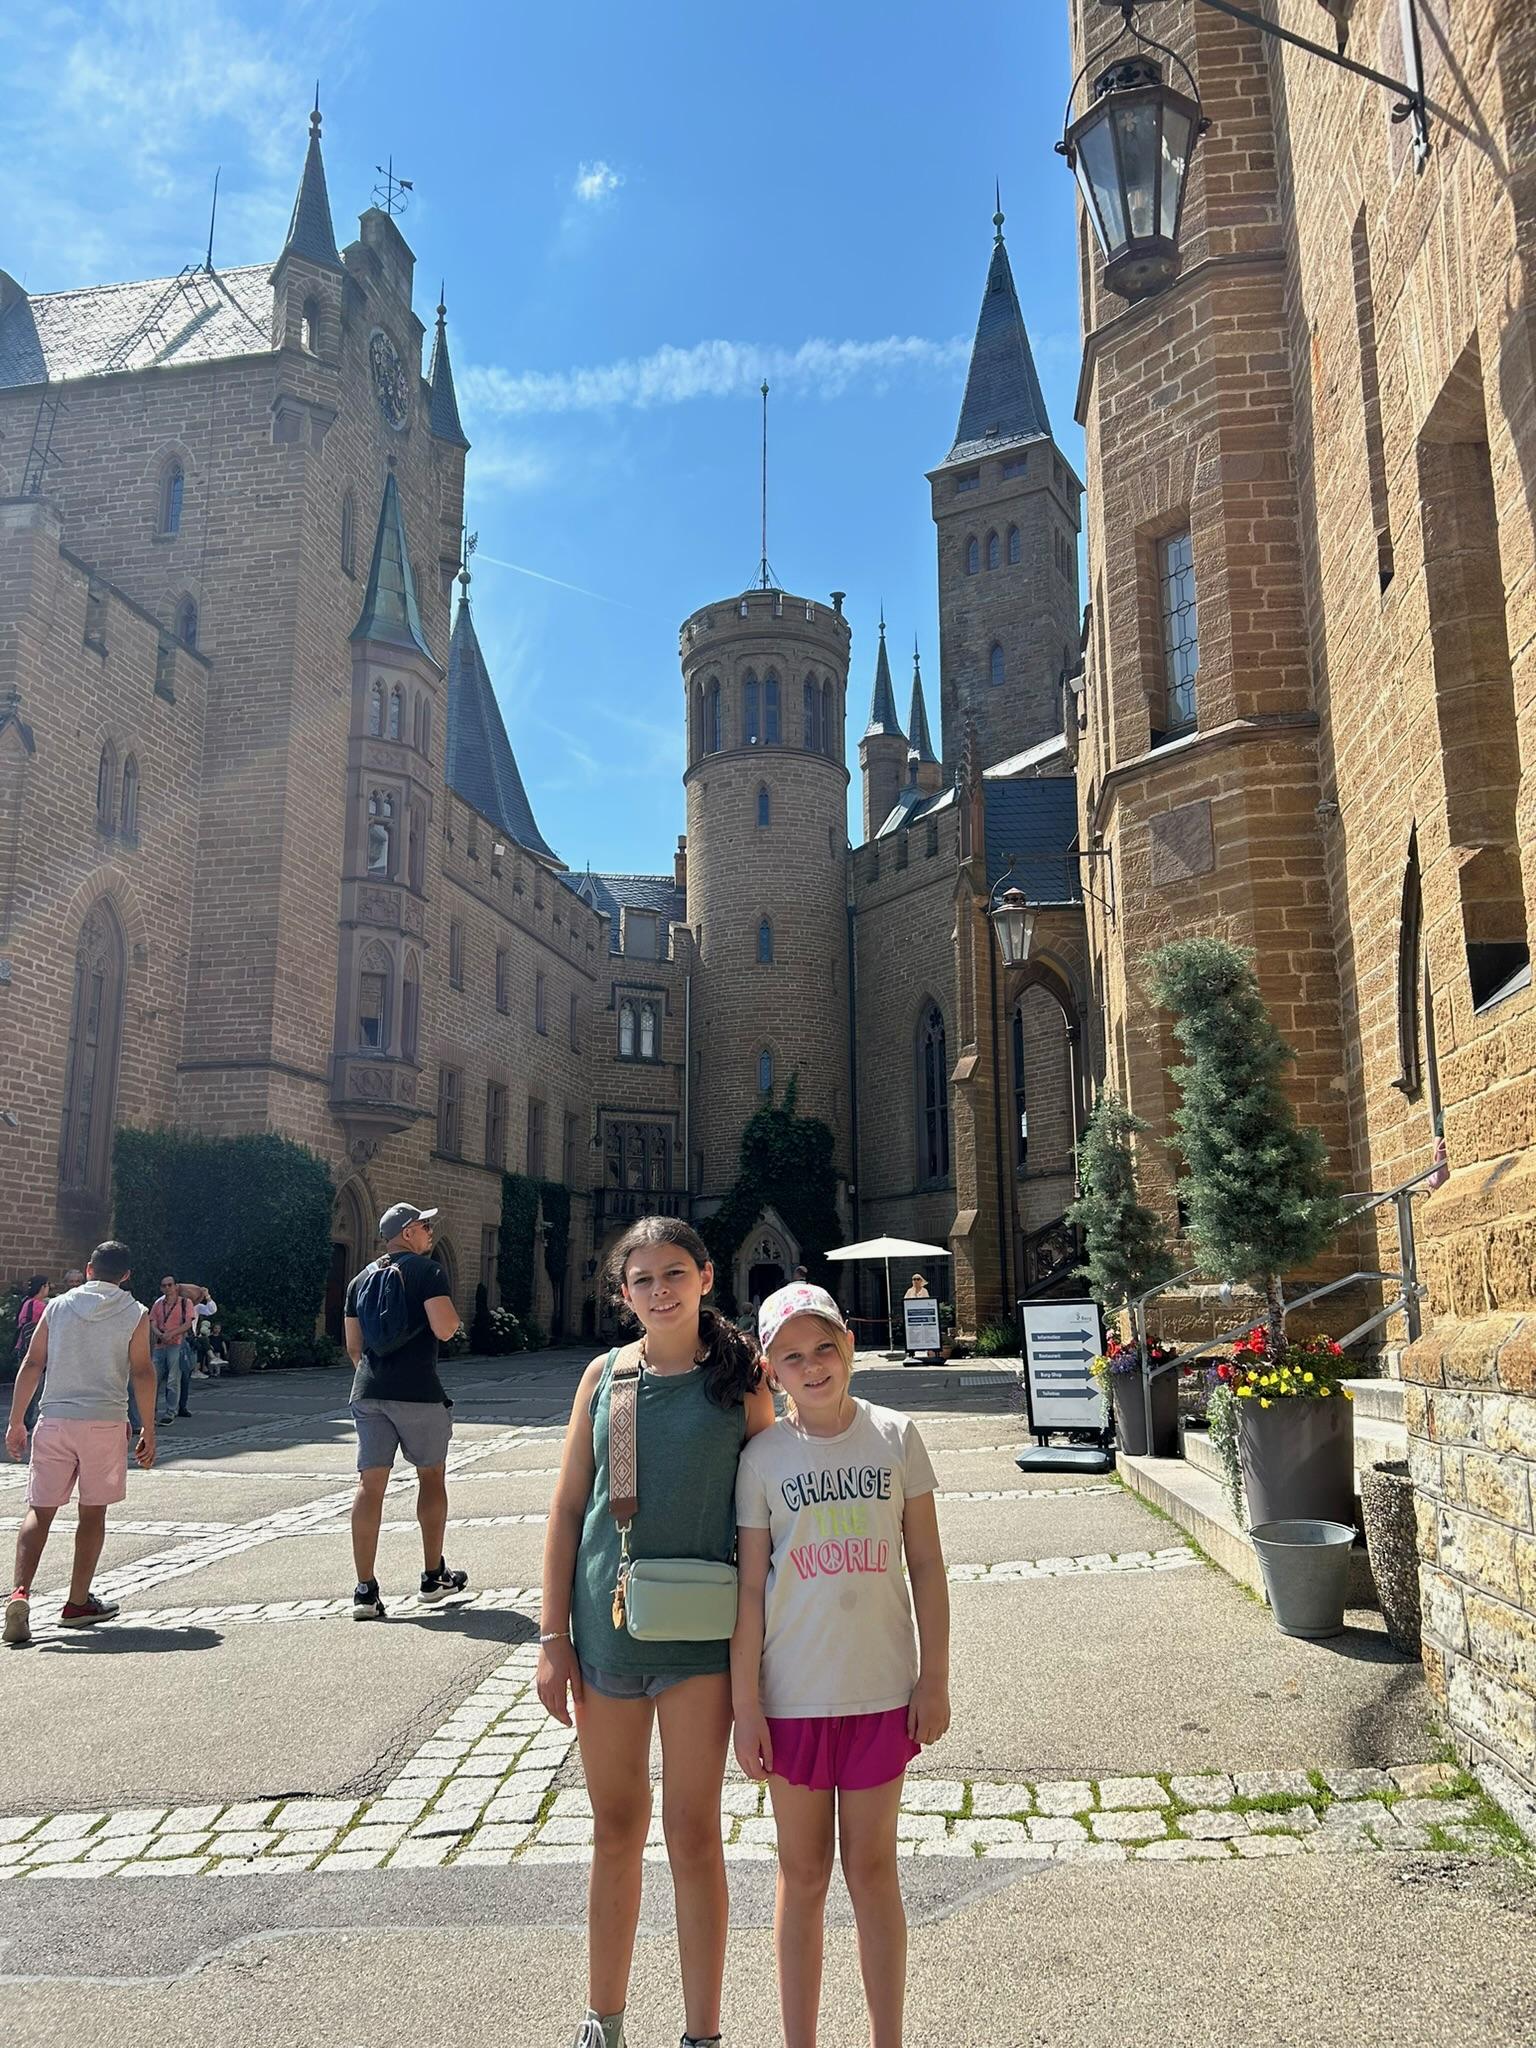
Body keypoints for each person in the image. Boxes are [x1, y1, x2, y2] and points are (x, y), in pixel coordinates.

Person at [538, 1216, 776, 2048]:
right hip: (607, 1636)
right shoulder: (606, 1378)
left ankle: (703, 2034)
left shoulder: (741, 1378)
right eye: (643, 1280)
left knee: (693, 1833)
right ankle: (603, 2020)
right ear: (623, 1294)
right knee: (614, 1829)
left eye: (675, 1273)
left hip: (701, 1644)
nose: (661, 1290)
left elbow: (770, 1512)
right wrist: (550, 1638)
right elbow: (571, 1507)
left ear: (706, 1276)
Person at [732, 1281, 951, 2048]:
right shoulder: (762, 1459)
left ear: (850, 1346)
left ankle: (886, 2038)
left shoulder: (896, 1435)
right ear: (771, 1368)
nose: (814, 1366)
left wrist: (935, 1677)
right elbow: (750, 1592)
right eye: (793, 1356)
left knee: (873, 1871)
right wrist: (746, 1706)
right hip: (792, 1699)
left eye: (825, 1347)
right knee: (803, 1876)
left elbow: (925, 1563)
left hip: (881, 1693)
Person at [4, 1242, 156, 1645]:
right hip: (104, 1421)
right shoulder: (135, 1313)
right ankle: (76, 1603)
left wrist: (17, 1420)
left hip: (54, 1418)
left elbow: (33, 1362)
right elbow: (142, 1371)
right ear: (126, 1275)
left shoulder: (57, 1307)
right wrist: (149, 1429)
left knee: (40, 1510)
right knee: (92, 1514)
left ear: (88, 1269)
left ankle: (20, 1593)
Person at [343, 1202, 467, 1620]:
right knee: (431, 1477)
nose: (431, 1231)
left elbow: (353, 1347)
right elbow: (445, 1328)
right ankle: (433, 1576)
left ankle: (365, 1590)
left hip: (368, 1390)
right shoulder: (426, 1271)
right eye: (425, 1225)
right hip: (418, 1389)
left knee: (370, 1484)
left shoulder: (359, 1279)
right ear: (408, 1231)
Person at [149, 1275, 197, 1424]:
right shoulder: (158, 1304)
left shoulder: (185, 1303)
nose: (167, 1288)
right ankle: (151, 1412)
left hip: (176, 1343)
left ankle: (171, 1412)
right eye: (164, 1286)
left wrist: (172, 1333)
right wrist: (160, 1334)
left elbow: (188, 1323)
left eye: (170, 1285)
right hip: (160, 1344)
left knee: (173, 1379)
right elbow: (152, 1322)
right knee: (154, 1380)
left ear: (176, 1286)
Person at [14, 1277, 49, 1435]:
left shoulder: (25, 1303)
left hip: (22, 1348)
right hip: (37, 1351)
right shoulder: (41, 1307)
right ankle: (29, 1422)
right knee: (36, 1389)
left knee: (24, 1383)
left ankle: (21, 1419)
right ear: (42, 1288)